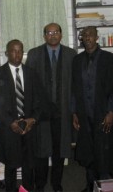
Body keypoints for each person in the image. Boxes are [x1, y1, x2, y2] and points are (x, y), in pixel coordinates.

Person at [25, 23, 77, 192]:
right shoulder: (34, 54)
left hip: (63, 111)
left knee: (59, 151)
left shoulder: (71, 54)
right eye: (49, 32)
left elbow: (75, 86)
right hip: (41, 113)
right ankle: (39, 185)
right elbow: (29, 85)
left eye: (56, 32)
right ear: (44, 36)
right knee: (41, 150)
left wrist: (74, 111)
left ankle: (57, 184)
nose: (52, 35)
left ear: (61, 35)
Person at [72, 26, 113, 192]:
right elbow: (74, 89)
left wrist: (111, 111)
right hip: (85, 114)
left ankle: (106, 188)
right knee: (89, 152)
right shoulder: (77, 61)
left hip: (103, 114)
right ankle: (90, 186)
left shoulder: (109, 59)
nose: (87, 38)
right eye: (84, 35)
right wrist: (75, 113)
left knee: (104, 153)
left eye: (91, 35)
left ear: (97, 37)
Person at [0, 39, 42, 192]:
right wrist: (10, 122)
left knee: (29, 164)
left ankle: (27, 189)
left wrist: (32, 119)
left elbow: (39, 101)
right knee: (11, 164)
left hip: (29, 125)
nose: (17, 54)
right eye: (13, 50)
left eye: (20, 50)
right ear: (7, 53)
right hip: (9, 126)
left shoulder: (31, 73)